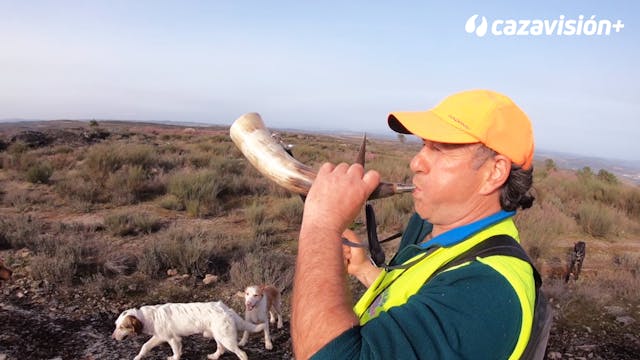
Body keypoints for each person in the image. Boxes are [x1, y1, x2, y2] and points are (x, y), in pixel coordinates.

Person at [291, 89, 536, 359]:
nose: (416, 162)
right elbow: (415, 301)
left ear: (494, 172)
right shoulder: (432, 227)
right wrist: (363, 269)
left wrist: (321, 225)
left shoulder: (490, 292)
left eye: (439, 148)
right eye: (423, 145)